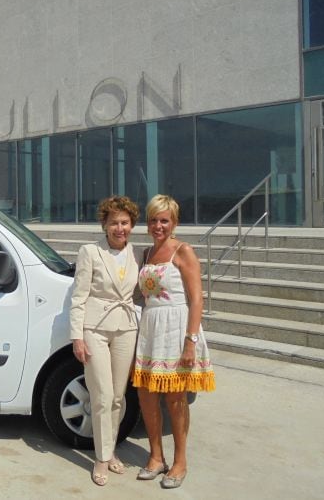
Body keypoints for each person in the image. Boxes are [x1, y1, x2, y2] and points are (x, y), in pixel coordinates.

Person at [133, 194, 216, 489]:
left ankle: (180, 461)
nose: (158, 225)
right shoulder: (145, 254)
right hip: (151, 328)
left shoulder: (183, 251)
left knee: (175, 397)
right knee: (145, 394)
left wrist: (190, 342)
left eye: (164, 220)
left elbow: (196, 300)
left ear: (174, 222)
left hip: (177, 327)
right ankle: (156, 457)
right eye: (154, 219)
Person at [69, 196, 141, 487]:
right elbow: (79, 296)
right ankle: (100, 457)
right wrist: (77, 336)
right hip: (95, 328)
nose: (119, 228)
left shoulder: (139, 255)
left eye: (124, 222)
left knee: (117, 397)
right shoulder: (90, 251)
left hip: (126, 328)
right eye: (114, 222)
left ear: (132, 225)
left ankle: (110, 452)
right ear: (104, 224)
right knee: (100, 395)